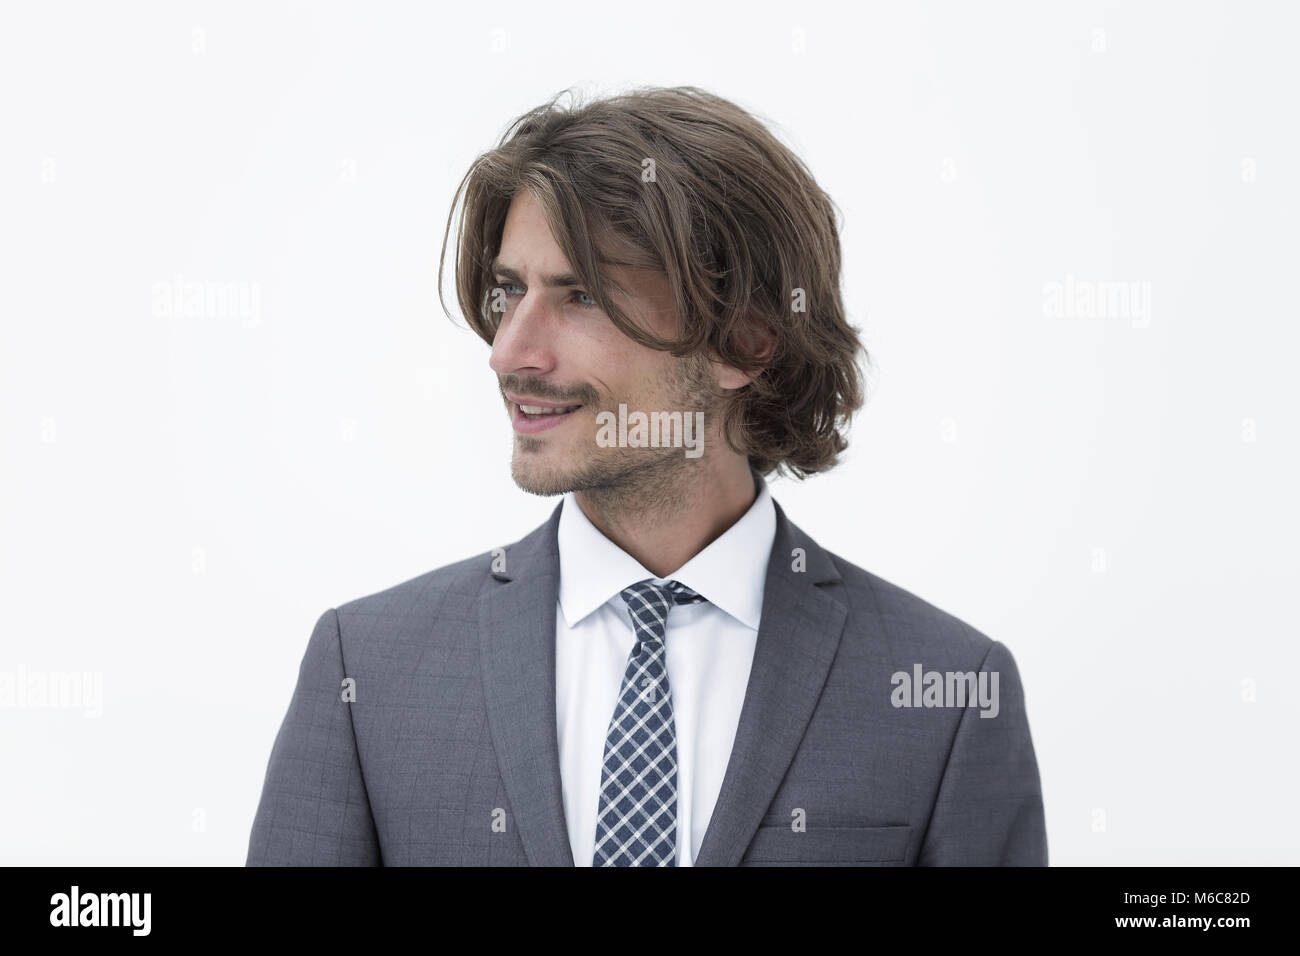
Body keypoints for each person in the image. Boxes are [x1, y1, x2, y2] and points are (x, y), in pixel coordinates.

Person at [246, 86, 1047, 866]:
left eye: (583, 296)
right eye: (509, 292)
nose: (509, 353)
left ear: (746, 342)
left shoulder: (948, 692)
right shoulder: (370, 670)